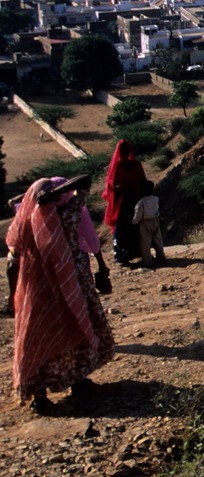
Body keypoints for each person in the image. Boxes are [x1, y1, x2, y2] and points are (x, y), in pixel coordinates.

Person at [7, 176, 116, 412]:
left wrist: (32, 196)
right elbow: (84, 182)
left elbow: (14, 218)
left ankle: (40, 395)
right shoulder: (65, 216)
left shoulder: (25, 221)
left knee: (39, 337)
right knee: (75, 327)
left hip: (36, 292)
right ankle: (76, 381)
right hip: (68, 284)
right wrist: (56, 191)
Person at [102, 140, 147, 266]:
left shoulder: (137, 165)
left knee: (135, 227)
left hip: (135, 201)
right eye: (123, 151)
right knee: (121, 229)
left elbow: (143, 181)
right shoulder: (117, 167)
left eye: (127, 151)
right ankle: (121, 256)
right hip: (122, 204)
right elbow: (111, 185)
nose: (126, 154)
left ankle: (137, 253)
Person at [131, 190, 165, 267]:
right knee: (158, 240)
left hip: (145, 223)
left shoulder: (141, 202)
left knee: (145, 243)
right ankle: (161, 257)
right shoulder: (156, 199)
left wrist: (134, 222)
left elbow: (138, 216)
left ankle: (147, 261)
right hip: (155, 220)